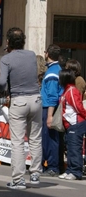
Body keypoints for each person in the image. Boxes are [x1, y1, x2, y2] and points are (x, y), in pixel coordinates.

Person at [0, 27, 42, 190]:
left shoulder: (6, 59)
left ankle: (18, 179)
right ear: (24, 41)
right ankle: (35, 173)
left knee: (17, 141)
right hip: (35, 98)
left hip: (19, 99)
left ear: (8, 42)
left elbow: (1, 82)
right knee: (35, 138)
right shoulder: (31, 55)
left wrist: (2, 93)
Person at [58, 69, 85, 180]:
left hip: (75, 123)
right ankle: (70, 169)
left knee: (74, 148)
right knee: (70, 148)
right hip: (70, 124)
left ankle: (76, 171)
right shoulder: (67, 90)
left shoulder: (71, 91)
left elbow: (78, 107)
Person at [41, 44, 63, 177]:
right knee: (50, 137)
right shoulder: (55, 69)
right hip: (51, 107)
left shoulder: (52, 72)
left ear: (47, 54)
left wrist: (49, 115)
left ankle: (53, 166)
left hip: (50, 108)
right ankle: (52, 165)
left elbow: (52, 96)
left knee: (50, 138)